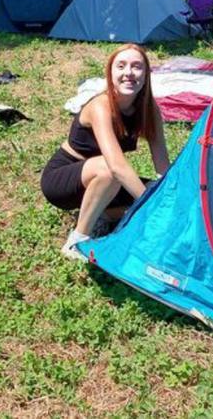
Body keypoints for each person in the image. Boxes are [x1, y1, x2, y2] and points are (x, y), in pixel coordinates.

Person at [40, 44, 170, 262]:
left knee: (157, 190)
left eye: (137, 67)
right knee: (111, 171)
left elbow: (163, 167)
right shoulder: (100, 106)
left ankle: (105, 215)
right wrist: (151, 206)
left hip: (107, 181)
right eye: (121, 66)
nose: (129, 73)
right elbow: (117, 166)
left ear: (146, 74)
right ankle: (78, 240)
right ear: (110, 73)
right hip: (63, 180)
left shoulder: (149, 110)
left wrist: (170, 199)